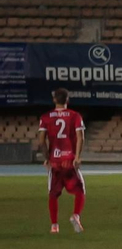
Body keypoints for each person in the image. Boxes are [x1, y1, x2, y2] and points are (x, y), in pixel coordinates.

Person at [38, 88, 86, 234]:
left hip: (55, 161)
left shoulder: (45, 117)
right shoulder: (75, 116)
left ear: (54, 100)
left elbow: (41, 140)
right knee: (80, 191)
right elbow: (80, 137)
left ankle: (54, 225)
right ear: (67, 100)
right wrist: (77, 156)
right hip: (69, 160)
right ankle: (76, 215)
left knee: (53, 194)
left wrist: (47, 158)